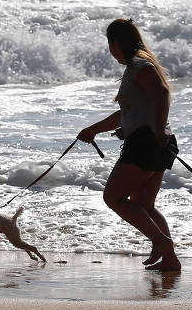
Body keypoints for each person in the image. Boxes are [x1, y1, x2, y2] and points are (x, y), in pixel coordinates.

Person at [77, 18, 181, 272]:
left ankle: (163, 244)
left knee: (112, 197)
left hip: (148, 142)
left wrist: (157, 131)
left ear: (115, 43)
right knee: (143, 203)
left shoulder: (139, 65)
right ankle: (170, 260)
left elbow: (162, 94)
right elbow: (126, 113)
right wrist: (93, 130)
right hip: (155, 141)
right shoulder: (136, 66)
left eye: (109, 44)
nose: (110, 51)